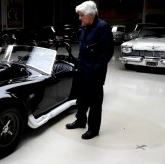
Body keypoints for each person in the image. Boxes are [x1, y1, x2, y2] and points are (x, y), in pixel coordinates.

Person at [66, 0, 114, 140]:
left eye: (81, 15)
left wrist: (95, 69)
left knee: (95, 102)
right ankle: (80, 121)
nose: (79, 18)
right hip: (82, 70)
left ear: (91, 14)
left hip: (94, 73)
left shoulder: (102, 27)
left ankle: (93, 129)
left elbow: (107, 52)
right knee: (81, 99)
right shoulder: (85, 26)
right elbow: (83, 48)